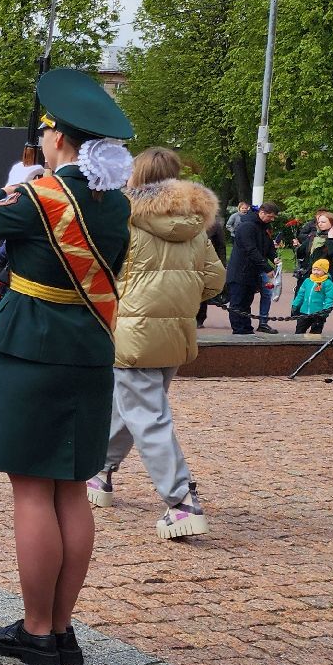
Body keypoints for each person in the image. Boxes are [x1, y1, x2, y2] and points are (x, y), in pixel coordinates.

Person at [0, 68, 133, 665]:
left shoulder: (40, 197)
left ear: (58, 139)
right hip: (91, 351)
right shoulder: (114, 202)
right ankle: (63, 628)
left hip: (33, 350)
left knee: (30, 490)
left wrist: (15, 186)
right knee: (71, 488)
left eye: (46, 132)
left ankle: (37, 630)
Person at [87, 148, 224, 541]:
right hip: (175, 332)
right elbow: (215, 280)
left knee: (145, 413)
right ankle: (101, 473)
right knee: (132, 405)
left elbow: (100, 271)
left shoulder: (123, 219)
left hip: (131, 328)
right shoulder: (195, 224)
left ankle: (181, 501)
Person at [224, 200, 279, 334]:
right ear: (261, 212)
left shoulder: (262, 227)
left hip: (251, 273)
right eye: (270, 216)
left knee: (246, 303)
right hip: (240, 271)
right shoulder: (247, 226)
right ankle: (239, 330)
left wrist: (274, 257)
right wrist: (267, 268)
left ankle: (246, 328)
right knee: (238, 302)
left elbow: (267, 246)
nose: (271, 220)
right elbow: (251, 249)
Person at [293, 258, 333, 335]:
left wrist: (325, 311)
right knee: (299, 331)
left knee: (315, 333)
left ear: (324, 271)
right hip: (305, 311)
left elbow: (329, 299)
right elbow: (301, 294)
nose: (315, 272)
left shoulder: (328, 283)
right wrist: (295, 304)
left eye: (318, 270)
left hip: (319, 313)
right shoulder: (307, 281)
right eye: (314, 269)